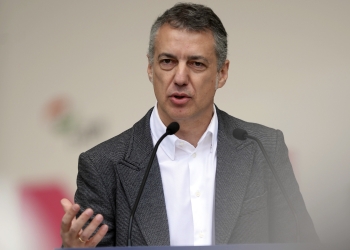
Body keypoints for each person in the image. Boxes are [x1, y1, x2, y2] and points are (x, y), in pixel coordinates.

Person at [60, 3, 319, 248]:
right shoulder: (104, 165)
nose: (180, 78)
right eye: (167, 62)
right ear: (150, 68)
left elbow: (303, 243)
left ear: (222, 73)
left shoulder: (263, 147)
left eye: (196, 64)